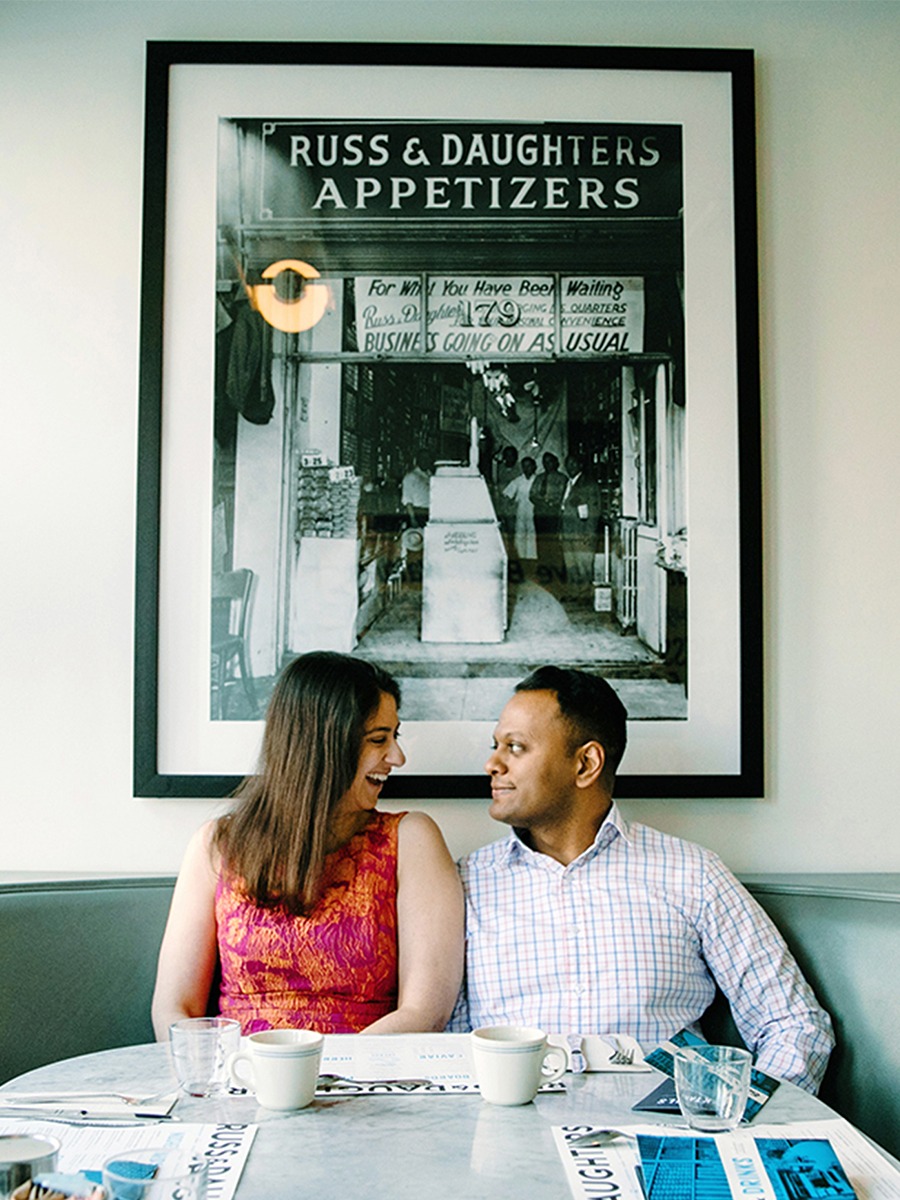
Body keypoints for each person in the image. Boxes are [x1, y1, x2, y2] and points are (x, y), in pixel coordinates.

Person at [448, 666, 835, 1093]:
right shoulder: (463, 885)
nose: (492, 763)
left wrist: (742, 1122)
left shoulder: (693, 876)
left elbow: (794, 1023)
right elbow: (447, 1047)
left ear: (586, 763)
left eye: (515, 747)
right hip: (511, 1145)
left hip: (666, 1145)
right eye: (495, 746)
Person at [152, 652, 464, 1038]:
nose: (397, 757)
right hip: (238, 1078)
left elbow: (425, 1011)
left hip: (364, 1080)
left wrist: (326, 1076)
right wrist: (225, 1079)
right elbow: (174, 1008)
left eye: (394, 736)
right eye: (378, 739)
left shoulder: (411, 840)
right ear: (322, 744)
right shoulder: (217, 845)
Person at [560, 454, 601, 600]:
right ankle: (573, 593)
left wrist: (589, 533)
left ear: (580, 466)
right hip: (568, 531)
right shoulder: (568, 483)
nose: (570, 467)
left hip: (582, 532)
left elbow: (594, 511)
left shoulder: (589, 484)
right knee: (571, 564)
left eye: (573, 463)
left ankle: (585, 595)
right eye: (567, 464)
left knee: (584, 565)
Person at [529, 451, 567, 592]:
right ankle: (543, 573)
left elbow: (562, 496)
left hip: (553, 515)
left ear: (556, 462)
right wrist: (542, 502)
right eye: (544, 462)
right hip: (539, 514)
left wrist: (550, 503)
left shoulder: (562, 478)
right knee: (541, 543)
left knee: (553, 543)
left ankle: (556, 573)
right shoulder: (539, 478)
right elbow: (532, 495)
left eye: (550, 461)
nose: (547, 464)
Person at [502, 455, 538, 569]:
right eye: (524, 466)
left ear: (534, 467)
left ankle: (532, 559)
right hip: (521, 509)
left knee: (532, 533)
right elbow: (507, 494)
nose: (527, 468)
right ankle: (521, 558)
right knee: (520, 533)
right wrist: (509, 507)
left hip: (534, 509)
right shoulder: (518, 480)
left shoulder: (538, 479)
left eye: (529, 466)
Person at [401, 451, 432, 527]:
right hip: (419, 513)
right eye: (423, 458)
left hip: (431, 512)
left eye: (428, 458)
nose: (426, 461)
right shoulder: (411, 477)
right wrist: (412, 518)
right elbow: (408, 501)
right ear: (418, 460)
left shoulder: (430, 475)